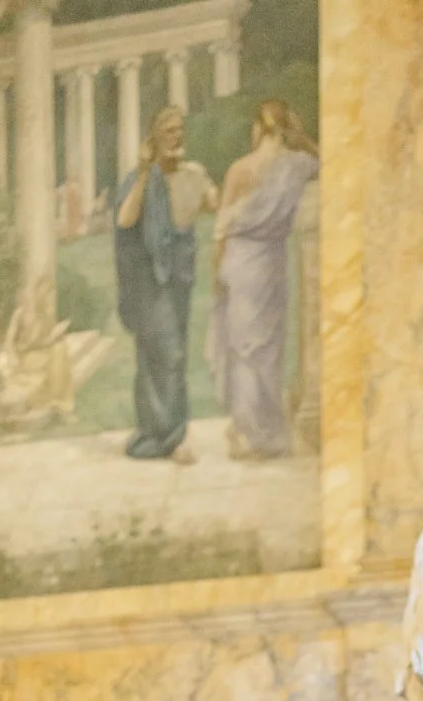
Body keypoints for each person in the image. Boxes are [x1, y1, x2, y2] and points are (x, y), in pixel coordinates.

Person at [208, 99, 320, 460]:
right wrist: (301, 138)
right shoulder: (298, 164)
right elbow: (327, 161)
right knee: (265, 350)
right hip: (270, 261)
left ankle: (253, 431)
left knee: (245, 348)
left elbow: (221, 228)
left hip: (242, 261)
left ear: (260, 127)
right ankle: (262, 433)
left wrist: (216, 271)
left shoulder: (241, 169)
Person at [113, 105, 217, 463]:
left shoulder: (194, 174)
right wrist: (145, 172)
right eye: (169, 130)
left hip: (179, 277)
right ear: (154, 138)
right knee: (163, 353)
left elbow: (217, 205)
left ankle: (168, 432)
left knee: (173, 356)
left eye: (180, 130)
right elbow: (126, 220)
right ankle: (165, 435)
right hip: (150, 279)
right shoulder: (142, 178)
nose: (177, 136)